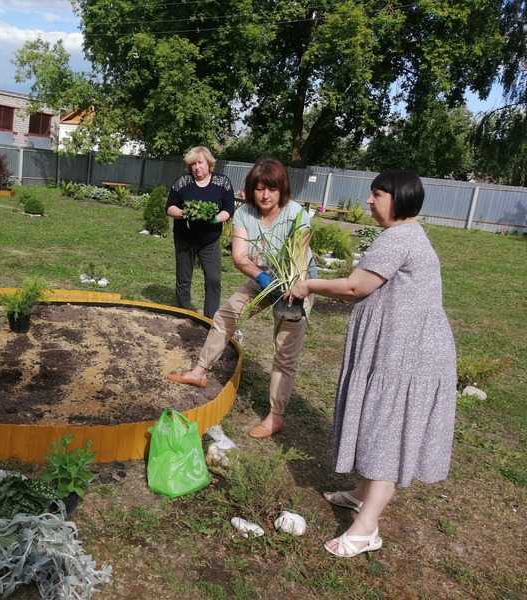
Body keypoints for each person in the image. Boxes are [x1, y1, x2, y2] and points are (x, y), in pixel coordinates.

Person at [288, 169, 457, 557]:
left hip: (407, 356)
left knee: (386, 431)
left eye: (377, 194)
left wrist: (308, 284)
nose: (368, 200)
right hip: (402, 348)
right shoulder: (407, 235)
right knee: (379, 421)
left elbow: (355, 286)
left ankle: (366, 529)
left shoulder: (399, 237)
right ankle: (363, 494)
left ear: (398, 198)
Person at [167, 158, 316, 438]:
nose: (265, 195)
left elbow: (300, 260)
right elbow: (239, 257)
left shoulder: (297, 214)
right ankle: (199, 372)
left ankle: (276, 416)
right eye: (259, 189)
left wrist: (292, 288)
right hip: (262, 277)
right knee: (226, 315)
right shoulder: (245, 213)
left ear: (282, 189)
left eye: (272, 188)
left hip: (296, 284)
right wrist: (263, 279)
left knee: (285, 351)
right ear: (251, 190)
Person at [166, 146, 235, 319]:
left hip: (209, 240)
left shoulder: (222, 182)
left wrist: (214, 219)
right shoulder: (183, 182)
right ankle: (183, 314)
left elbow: (228, 209)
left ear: (209, 163)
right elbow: (170, 207)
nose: (196, 167)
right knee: (183, 279)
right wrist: (184, 213)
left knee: (213, 279)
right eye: (193, 164)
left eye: (200, 163)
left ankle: (209, 319)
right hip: (185, 238)